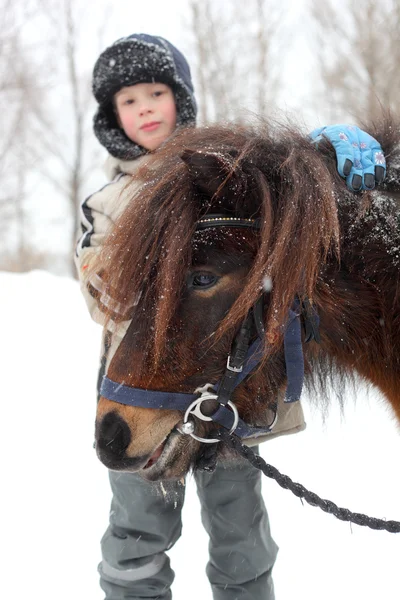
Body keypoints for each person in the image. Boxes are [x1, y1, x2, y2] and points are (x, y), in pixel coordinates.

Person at [75, 33, 386, 600]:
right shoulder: (106, 203)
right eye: (128, 100)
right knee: (138, 527)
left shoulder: (220, 184)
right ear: (111, 117)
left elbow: (276, 196)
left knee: (240, 528)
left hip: (224, 392)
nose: (145, 107)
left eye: (156, 92)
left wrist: (312, 159)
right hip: (152, 386)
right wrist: (146, 256)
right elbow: (101, 294)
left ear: (181, 100)